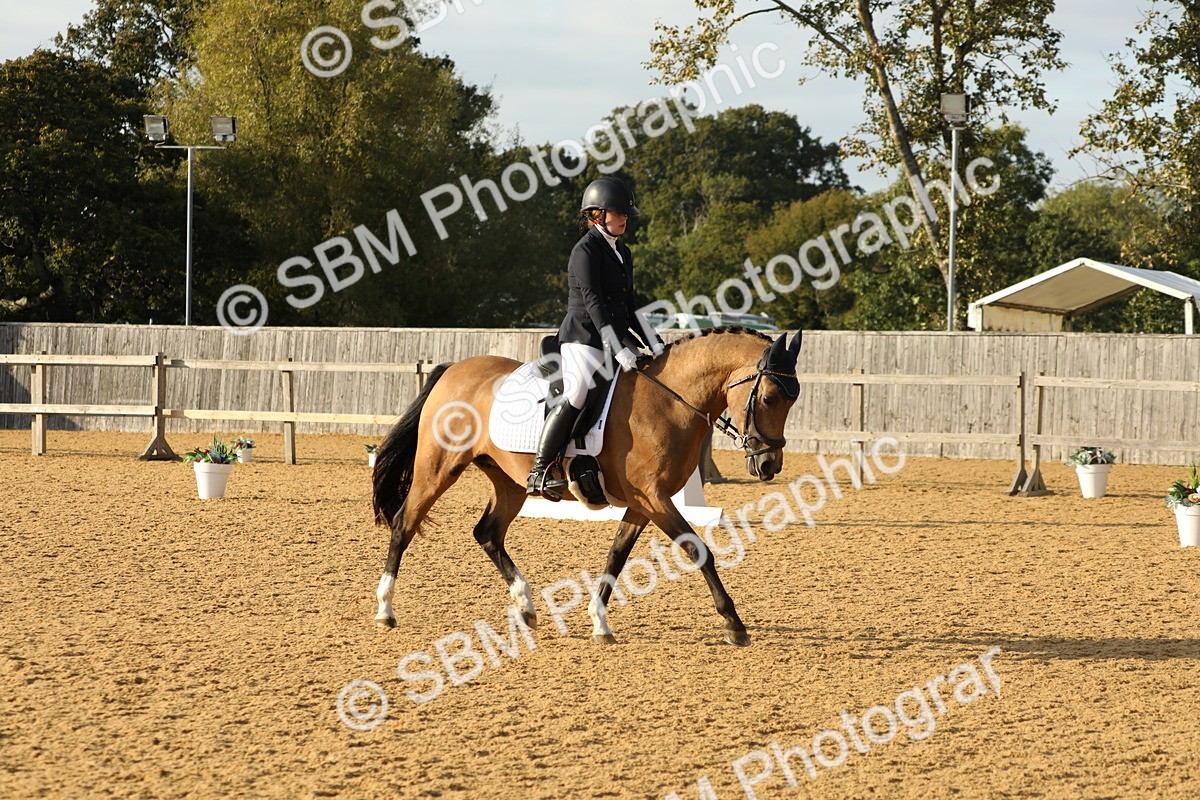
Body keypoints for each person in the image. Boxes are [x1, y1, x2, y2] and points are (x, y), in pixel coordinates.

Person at [526, 176, 663, 500]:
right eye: (619, 212)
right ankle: (540, 469)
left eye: (626, 213)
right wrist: (618, 348)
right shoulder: (585, 251)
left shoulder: (623, 252)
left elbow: (629, 306)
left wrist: (654, 342)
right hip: (583, 338)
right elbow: (595, 305)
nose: (626, 217)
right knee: (576, 391)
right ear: (597, 215)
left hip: (614, 336)